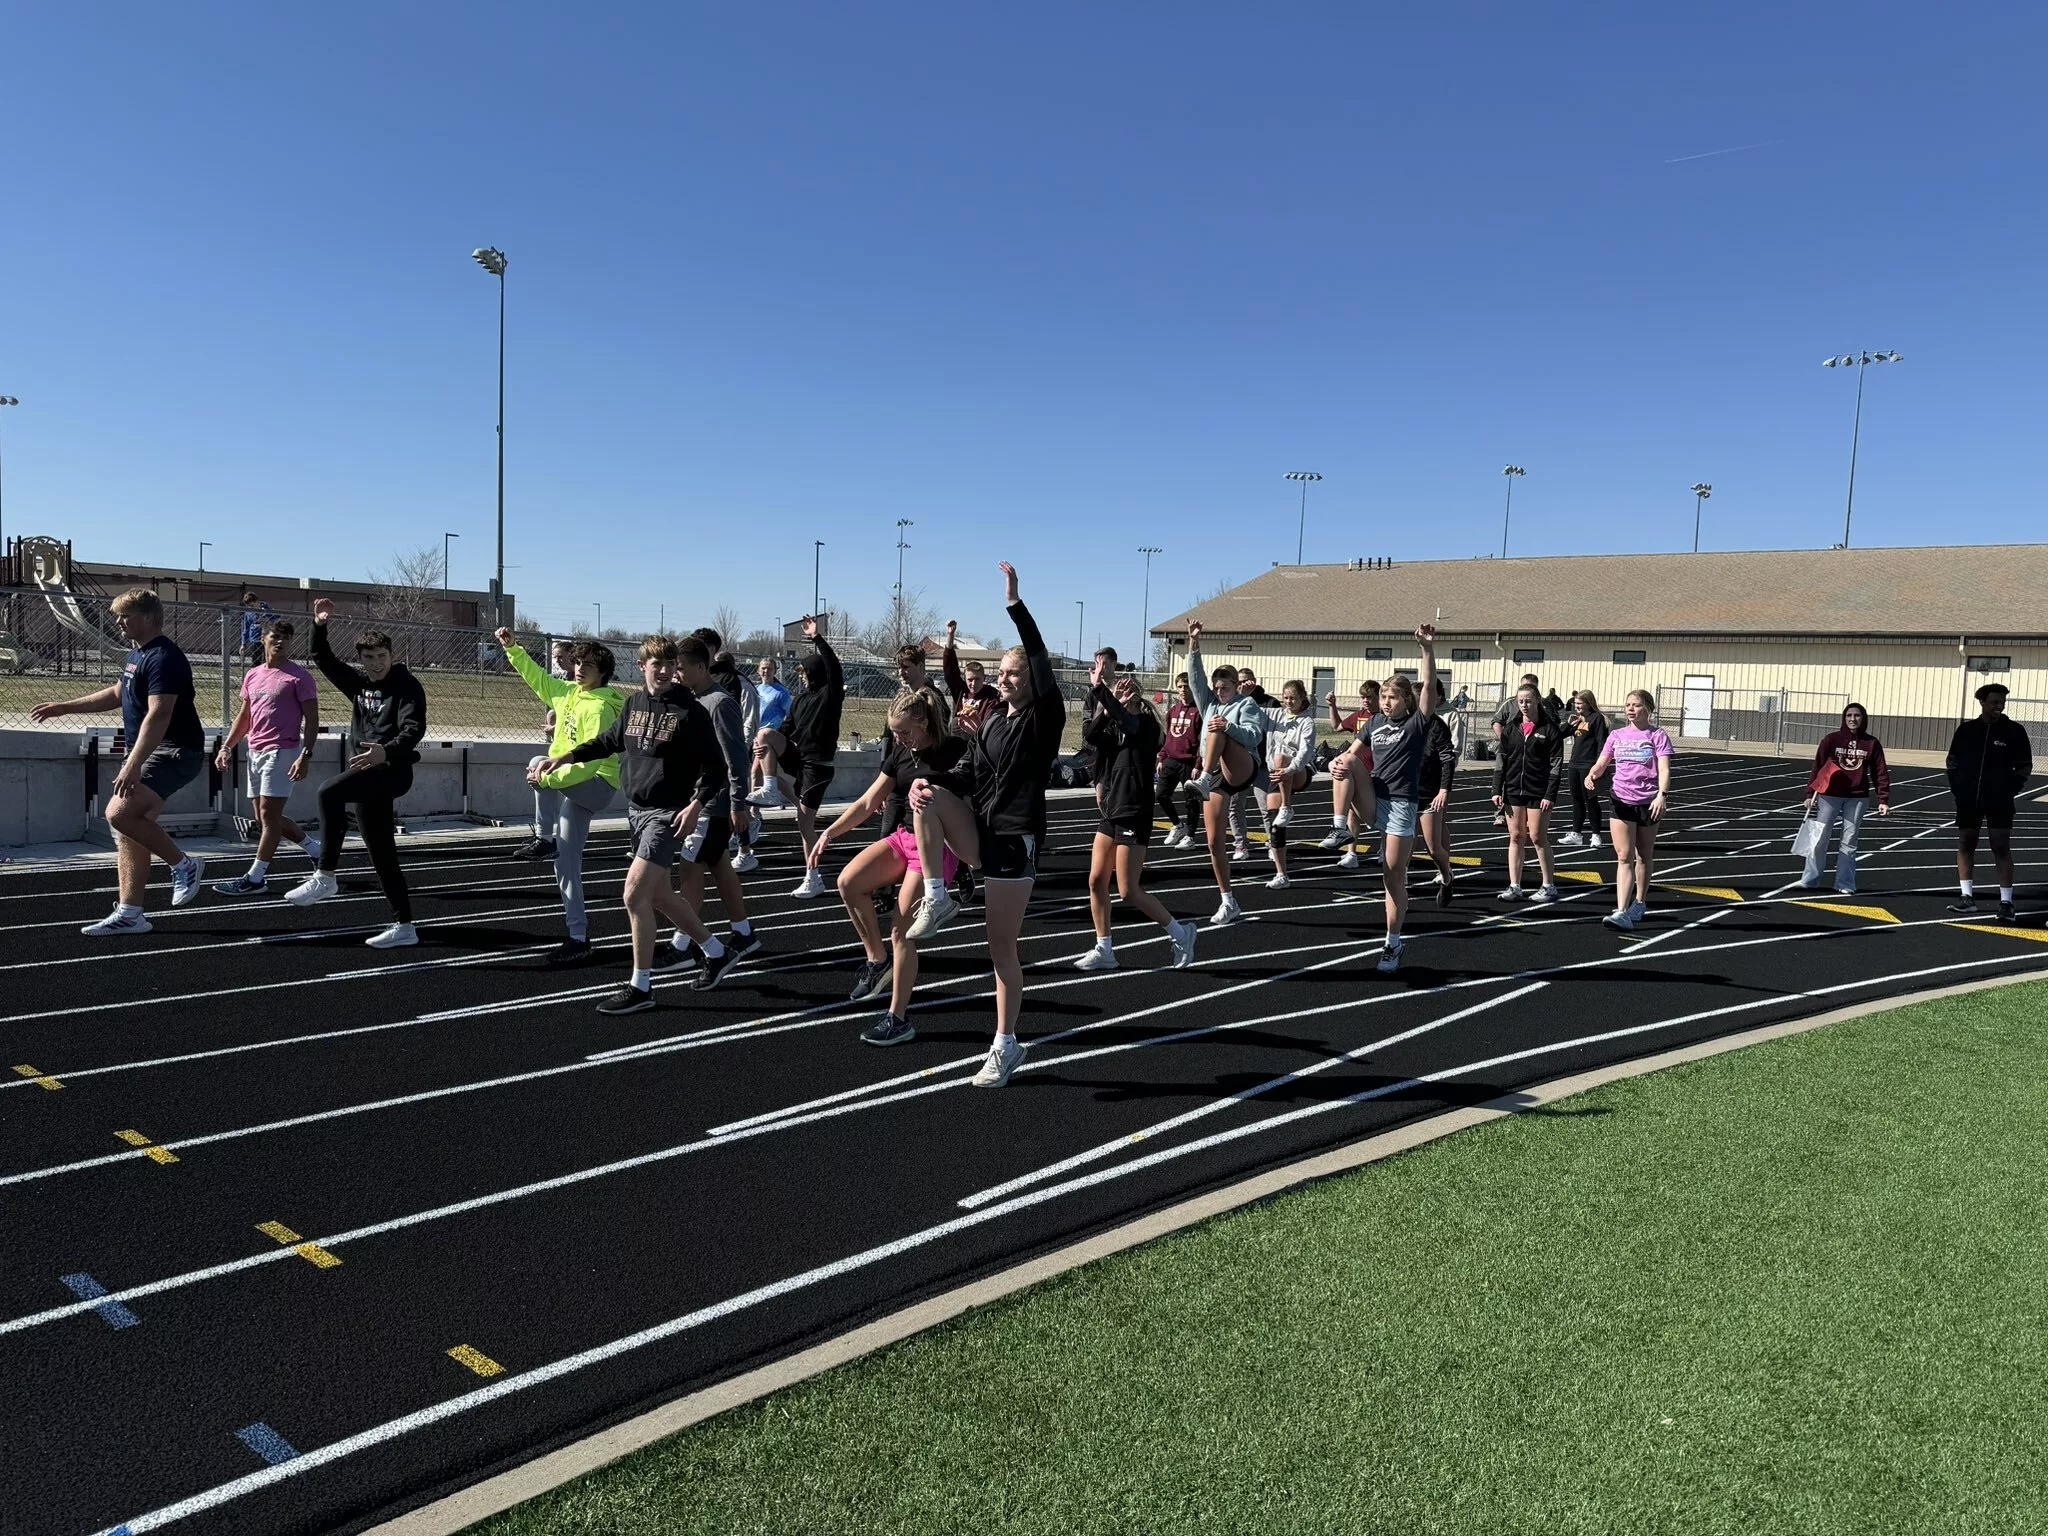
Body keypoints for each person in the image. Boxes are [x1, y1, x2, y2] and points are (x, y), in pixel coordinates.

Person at [902, 562, 1064, 1088]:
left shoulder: (1044, 718)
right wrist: (932, 776)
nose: (1003, 678)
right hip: (982, 831)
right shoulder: (991, 718)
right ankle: (937, 893)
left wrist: (1015, 606)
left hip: (1015, 838)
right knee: (926, 796)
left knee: (1001, 947)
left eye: (1013, 673)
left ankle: (1005, 1044)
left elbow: (1036, 654)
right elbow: (968, 776)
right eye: (1002, 672)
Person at [536, 634, 737, 1012]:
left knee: (633, 895)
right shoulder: (633, 704)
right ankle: (715, 951)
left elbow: (717, 768)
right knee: (660, 896)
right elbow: (606, 742)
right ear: (642, 666)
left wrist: (696, 805)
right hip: (637, 812)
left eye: (669, 664)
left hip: (667, 815)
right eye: (655, 664)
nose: (662, 671)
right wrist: (562, 758)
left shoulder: (690, 712)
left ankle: (641, 987)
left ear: (676, 668)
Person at [31, 588, 210, 932]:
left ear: (147, 618)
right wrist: (64, 707)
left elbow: (159, 715)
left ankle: (183, 864)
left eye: (124, 616)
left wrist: (133, 764)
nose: (118, 622)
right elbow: (118, 693)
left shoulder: (164, 658)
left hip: (173, 752)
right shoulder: (137, 655)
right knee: (130, 831)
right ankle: (131, 913)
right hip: (151, 752)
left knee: (118, 813)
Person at [810, 687, 969, 1045]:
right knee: (848, 882)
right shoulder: (900, 751)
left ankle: (898, 1018)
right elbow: (869, 801)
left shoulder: (954, 750)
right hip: (904, 837)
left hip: (936, 850)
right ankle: (877, 960)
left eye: (905, 732)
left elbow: (969, 803)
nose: (899, 739)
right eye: (895, 733)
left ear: (925, 722)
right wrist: (829, 833)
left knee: (902, 930)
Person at [280, 602, 428, 946]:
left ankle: (325, 875)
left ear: (391, 654)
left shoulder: (407, 685)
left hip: (391, 771)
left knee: (328, 793)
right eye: (369, 658)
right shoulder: (360, 685)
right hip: (366, 773)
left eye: (381, 656)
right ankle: (405, 927)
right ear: (361, 658)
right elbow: (323, 659)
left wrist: (385, 751)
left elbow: (414, 728)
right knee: (381, 853)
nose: (376, 664)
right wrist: (319, 623)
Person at [499, 627, 626, 963]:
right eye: (579, 662)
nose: (580, 669)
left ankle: (544, 836)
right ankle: (578, 936)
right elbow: (536, 678)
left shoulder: (601, 708)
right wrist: (514, 649)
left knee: (538, 761)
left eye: (588, 666)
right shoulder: (567, 692)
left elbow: (589, 761)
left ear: (603, 674)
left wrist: (546, 780)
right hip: (571, 785)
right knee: (566, 864)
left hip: (596, 784)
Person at [1077, 656, 1200, 970]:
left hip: (1135, 812)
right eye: (1122, 694)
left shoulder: (1145, 727)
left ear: (1140, 699)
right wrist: (1107, 704)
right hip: (1112, 811)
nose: (1124, 697)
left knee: (1128, 890)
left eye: (1130, 693)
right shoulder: (1116, 729)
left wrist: (1107, 693)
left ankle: (1180, 931)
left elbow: (1130, 722)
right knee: (1095, 881)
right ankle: (1104, 948)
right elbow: (1091, 736)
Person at [667, 635, 763, 968]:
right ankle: (743, 932)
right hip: (699, 799)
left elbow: (736, 759)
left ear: (700, 666)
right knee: (720, 866)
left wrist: (739, 804)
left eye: (680, 668)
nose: (675, 674)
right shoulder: (692, 699)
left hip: (714, 803)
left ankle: (681, 946)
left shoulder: (720, 703)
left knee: (690, 870)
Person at [213, 619, 323, 896]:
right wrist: (227, 746)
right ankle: (315, 849)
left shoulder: (299, 677)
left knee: (268, 817)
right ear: (263, 639)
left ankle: (256, 878)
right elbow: (245, 716)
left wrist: (305, 755)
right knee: (264, 820)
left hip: (283, 750)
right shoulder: (253, 675)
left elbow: (312, 720)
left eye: (286, 637)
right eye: (275, 636)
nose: (281, 641)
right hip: (255, 750)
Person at [1357, 626, 1440, 974]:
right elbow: (1352, 752)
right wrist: (1336, 761)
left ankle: (1393, 942)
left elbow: (1430, 689)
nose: (1386, 702)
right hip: (1373, 797)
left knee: (1392, 877)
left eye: (1393, 697)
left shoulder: (1417, 725)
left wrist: (1427, 650)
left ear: (1406, 699)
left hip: (1401, 805)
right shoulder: (1373, 722)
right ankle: (1338, 827)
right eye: (1383, 697)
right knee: (1345, 762)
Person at [748, 616, 844, 897]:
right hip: (799, 758)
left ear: (814, 672)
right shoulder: (800, 699)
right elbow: (786, 729)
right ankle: (770, 789)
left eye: (805, 672)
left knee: (804, 825)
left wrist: (817, 638)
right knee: (765, 735)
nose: (801, 676)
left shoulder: (830, 695)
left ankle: (813, 877)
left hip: (818, 766)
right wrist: (763, 747)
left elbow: (834, 668)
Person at [1183, 620, 1270, 927]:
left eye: (1225, 687)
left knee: (1219, 724)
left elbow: (1254, 736)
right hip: (1217, 773)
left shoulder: (1245, 704)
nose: (1219, 692)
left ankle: (1203, 779)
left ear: (1236, 686)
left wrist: (1227, 726)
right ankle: (1228, 900)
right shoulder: (1208, 702)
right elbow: (1196, 679)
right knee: (1213, 841)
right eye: (1217, 688)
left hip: (1243, 765)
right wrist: (1194, 643)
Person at [1586, 689, 1673, 932]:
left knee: (1644, 855)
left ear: (1647, 708)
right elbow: (1603, 761)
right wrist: (1593, 774)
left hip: (1648, 802)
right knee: (1624, 856)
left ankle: (1640, 902)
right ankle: (1621, 910)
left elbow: (1664, 769)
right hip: (1621, 799)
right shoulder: (1616, 735)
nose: (1630, 709)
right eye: (1627, 705)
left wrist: (1661, 796)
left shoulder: (1657, 735)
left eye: (1635, 705)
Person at [1945, 683, 2032, 923]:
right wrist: (1959, 789)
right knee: (1966, 844)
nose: (1999, 706)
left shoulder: (2015, 731)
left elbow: (2025, 767)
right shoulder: (1966, 730)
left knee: (2000, 846)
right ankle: (1967, 898)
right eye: (1994, 702)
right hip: (1968, 800)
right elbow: (1952, 762)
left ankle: (2006, 903)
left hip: (1999, 801)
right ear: (1982, 702)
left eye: (2002, 702)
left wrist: (2008, 789)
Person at [1800, 703, 1891, 895]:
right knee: (1820, 838)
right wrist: (1810, 794)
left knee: (1849, 842)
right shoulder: (1831, 740)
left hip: (1857, 798)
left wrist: (1883, 799)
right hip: (1829, 796)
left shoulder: (1871, 743)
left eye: (1857, 715)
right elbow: (1818, 767)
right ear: (1844, 717)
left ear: (1863, 718)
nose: (1853, 719)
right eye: (1849, 715)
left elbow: (1879, 772)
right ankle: (1810, 879)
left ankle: (1845, 883)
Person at [1491, 682, 1565, 902]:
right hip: (1513, 790)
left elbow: (1556, 765)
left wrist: (1550, 794)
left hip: (1538, 791)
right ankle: (1515, 886)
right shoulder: (1511, 728)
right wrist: (1497, 788)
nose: (1524, 705)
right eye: (1520, 701)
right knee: (1515, 836)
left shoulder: (1549, 728)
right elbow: (1501, 759)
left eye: (1528, 701)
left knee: (1537, 837)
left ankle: (1548, 885)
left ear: (1537, 701)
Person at [1261, 680, 1318, 890]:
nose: (1288, 702)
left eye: (1293, 698)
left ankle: (1287, 806)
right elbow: (1253, 710)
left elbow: (1305, 751)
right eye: (1285, 698)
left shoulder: (1307, 722)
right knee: (1276, 826)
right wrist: (1248, 692)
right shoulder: (1277, 714)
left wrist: (1290, 768)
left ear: (1303, 698)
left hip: (1300, 771)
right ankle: (1281, 874)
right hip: (1277, 774)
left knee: (1281, 758)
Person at [1321, 688, 1377, 866]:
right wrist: (1332, 706)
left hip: (1380, 773)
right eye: (1363, 697)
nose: (1366, 701)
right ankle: (1351, 852)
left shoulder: (1386, 719)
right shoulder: (1360, 716)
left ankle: (1387, 850)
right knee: (1351, 809)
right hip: (1359, 771)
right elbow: (1338, 727)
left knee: (1387, 814)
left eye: (1370, 697)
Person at [1415, 679, 1459, 905]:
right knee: (1402, 845)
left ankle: (1446, 874)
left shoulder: (1437, 725)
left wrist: (1443, 790)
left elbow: (1448, 758)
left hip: (1430, 792)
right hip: (1404, 794)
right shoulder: (1401, 724)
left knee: (1433, 847)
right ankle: (1397, 885)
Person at [1155, 672, 1203, 849]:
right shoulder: (1172, 711)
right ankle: (1178, 825)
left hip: (1190, 763)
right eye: (1180, 686)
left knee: (1191, 800)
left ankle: (1190, 836)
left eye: (1186, 686)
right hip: (1171, 760)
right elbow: (1168, 737)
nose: (1183, 690)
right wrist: (1162, 758)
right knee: (1160, 795)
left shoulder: (1199, 711)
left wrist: (1199, 764)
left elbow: (1201, 740)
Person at [1558, 690, 1609, 848]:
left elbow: (1602, 743)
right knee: (1576, 800)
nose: (1577, 706)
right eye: (1576, 703)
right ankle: (1577, 833)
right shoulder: (1578, 720)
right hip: (1574, 764)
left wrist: (1598, 766)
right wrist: (1568, 723)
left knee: (1590, 800)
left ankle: (1595, 835)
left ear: (1588, 703)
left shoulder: (1597, 719)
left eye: (1580, 703)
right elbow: (1559, 735)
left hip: (1589, 764)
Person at [238, 590, 278, 666]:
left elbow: (276, 619)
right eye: (249, 606)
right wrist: (243, 644)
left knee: (268, 661)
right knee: (256, 661)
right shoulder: (248, 613)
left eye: (252, 605)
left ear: (257, 601)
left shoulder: (267, 609)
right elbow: (246, 628)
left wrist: (268, 622)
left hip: (267, 638)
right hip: (255, 639)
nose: (251, 608)